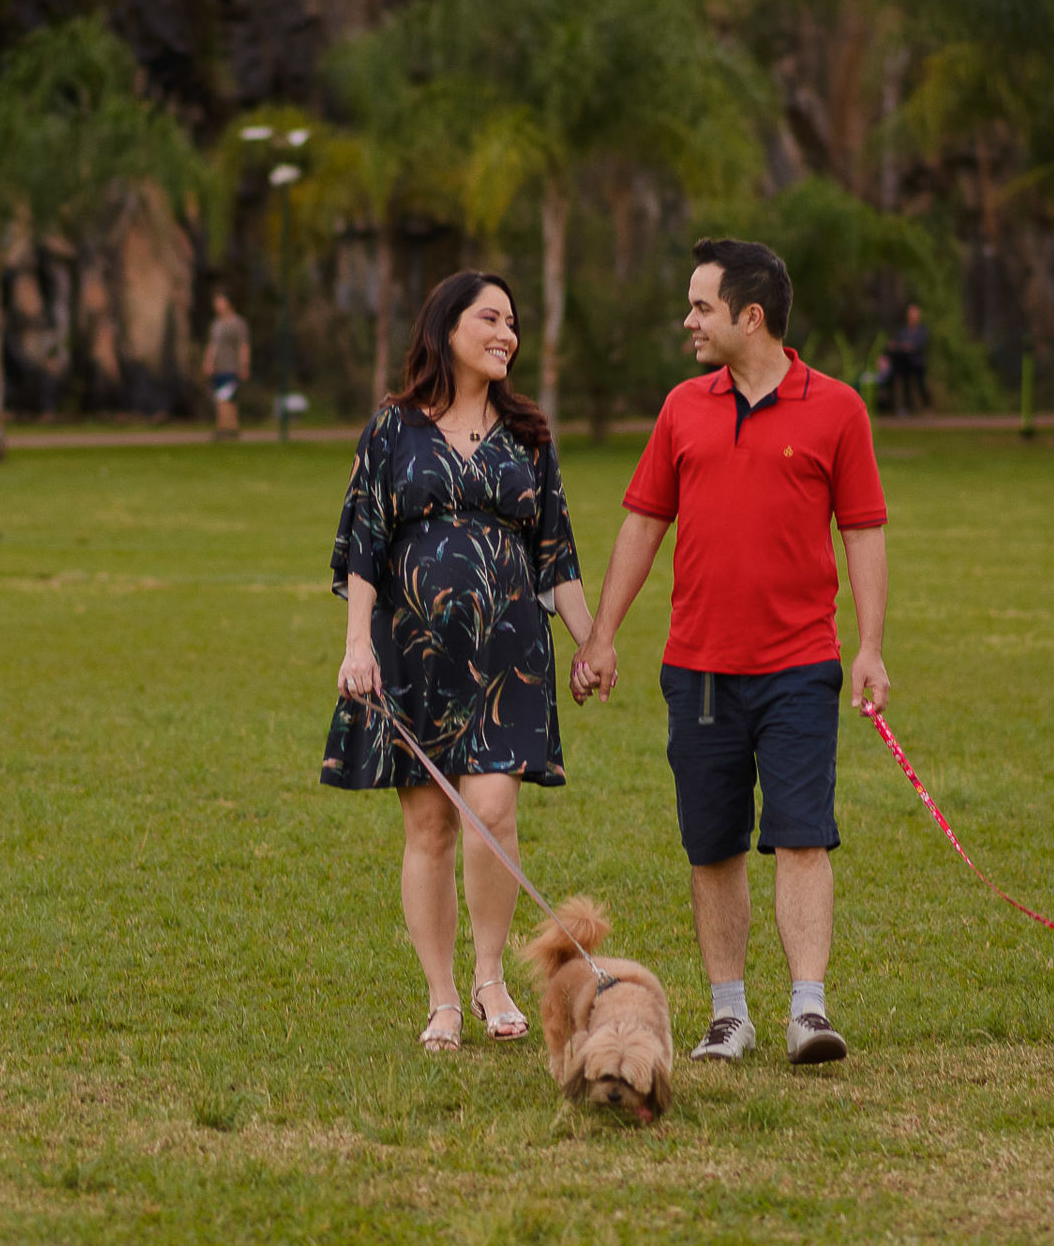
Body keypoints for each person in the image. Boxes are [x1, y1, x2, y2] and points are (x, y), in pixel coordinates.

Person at [571, 238, 891, 1067]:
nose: (689, 321)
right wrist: (602, 635)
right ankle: (728, 1016)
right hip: (701, 670)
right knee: (712, 843)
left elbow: (863, 531)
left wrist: (871, 647)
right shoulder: (683, 407)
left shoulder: (839, 409)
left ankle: (808, 1012)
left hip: (799, 666)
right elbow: (644, 522)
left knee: (800, 834)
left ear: (751, 317)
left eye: (701, 307)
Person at [321, 271, 593, 1053]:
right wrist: (356, 646)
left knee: (494, 814)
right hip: (413, 656)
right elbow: (364, 544)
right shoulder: (392, 428)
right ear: (446, 327)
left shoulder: (529, 434)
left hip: (509, 655)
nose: (508, 333)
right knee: (431, 825)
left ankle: (490, 977)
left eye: (514, 322)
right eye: (492, 319)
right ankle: (442, 998)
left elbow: (557, 554)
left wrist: (590, 640)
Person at [204, 292, 250, 438]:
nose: (217, 305)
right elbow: (212, 345)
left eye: (220, 302)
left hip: (231, 367)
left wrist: (244, 365)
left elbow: (243, 345)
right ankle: (227, 428)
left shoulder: (238, 323)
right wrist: (208, 362)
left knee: (227, 398)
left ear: (228, 303)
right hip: (218, 367)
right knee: (221, 398)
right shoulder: (216, 324)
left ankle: (227, 428)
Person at [883, 303, 929, 416]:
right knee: (904, 385)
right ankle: (906, 409)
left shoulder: (922, 331)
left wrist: (908, 347)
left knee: (921, 385)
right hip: (904, 363)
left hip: (917, 363)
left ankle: (926, 407)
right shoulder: (902, 331)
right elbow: (896, 344)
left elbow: (919, 345)